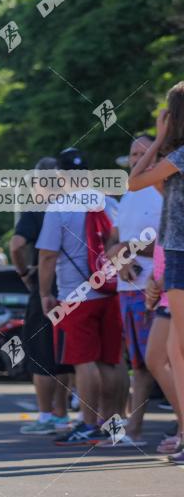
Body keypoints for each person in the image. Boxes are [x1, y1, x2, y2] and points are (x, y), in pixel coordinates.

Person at [38, 148, 122, 446]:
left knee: (84, 361)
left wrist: (45, 294)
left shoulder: (58, 207)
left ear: (61, 176)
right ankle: (112, 425)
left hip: (76, 295)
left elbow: (47, 256)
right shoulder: (109, 203)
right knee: (110, 361)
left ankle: (87, 424)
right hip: (111, 292)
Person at [128, 81, 184, 463]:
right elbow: (162, 195)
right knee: (171, 351)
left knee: (177, 351)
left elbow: (134, 182)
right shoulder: (177, 158)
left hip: (182, 253)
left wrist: (159, 136)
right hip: (175, 254)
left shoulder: (182, 154)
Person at [99, 135, 163, 448]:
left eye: (143, 151)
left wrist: (130, 247)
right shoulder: (129, 193)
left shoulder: (163, 189)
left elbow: (168, 242)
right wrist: (116, 253)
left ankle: (141, 428)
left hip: (155, 287)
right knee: (138, 362)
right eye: (133, 153)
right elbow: (112, 238)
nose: (137, 157)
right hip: (128, 287)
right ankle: (133, 427)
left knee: (157, 361)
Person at [10, 157, 73, 435]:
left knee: (41, 354)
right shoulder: (76, 205)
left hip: (45, 289)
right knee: (65, 354)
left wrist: (25, 273)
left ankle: (46, 416)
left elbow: (16, 245)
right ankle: (63, 414)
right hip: (76, 288)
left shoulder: (37, 208)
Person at [145, 243, 183, 454]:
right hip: (166, 292)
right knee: (156, 359)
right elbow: (163, 251)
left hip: (176, 288)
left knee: (164, 359)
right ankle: (181, 428)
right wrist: (152, 279)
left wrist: (158, 283)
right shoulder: (167, 211)